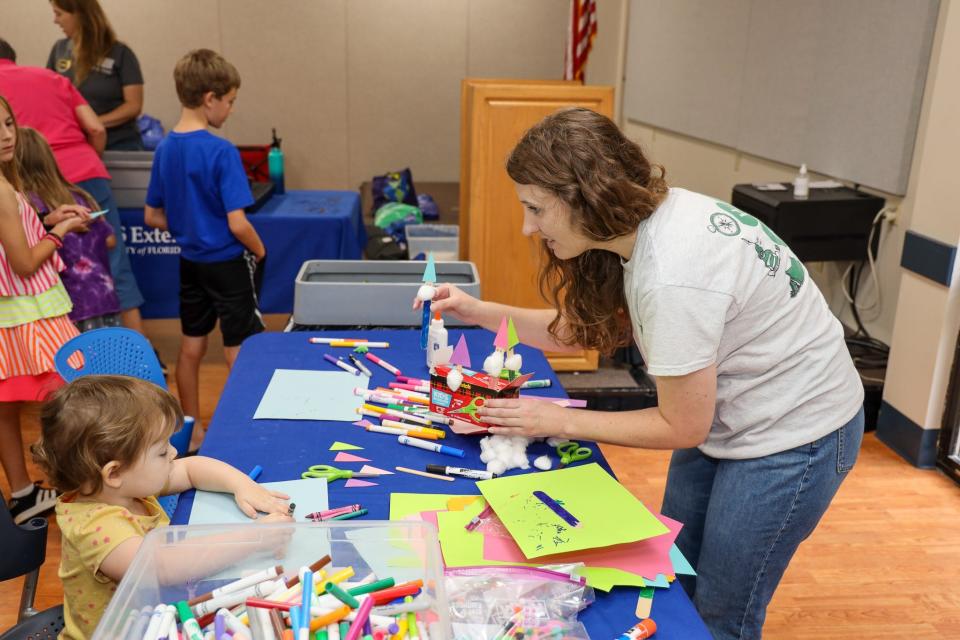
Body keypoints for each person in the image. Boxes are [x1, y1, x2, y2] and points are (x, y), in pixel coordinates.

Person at [416, 107, 865, 639]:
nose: (527, 227)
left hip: (794, 436)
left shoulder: (674, 274)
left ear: (586, 198)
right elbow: (580, 329)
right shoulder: (644, 224)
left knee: (722, 614)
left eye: (536, 208)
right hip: (728, 412)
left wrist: (554, 418)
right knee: (674, 581)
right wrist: (478, 310)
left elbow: (682, 427)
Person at [31, 375, 292, 640]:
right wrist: (256, 537)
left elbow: (191, 468)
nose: (174, 453)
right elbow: (164, 567)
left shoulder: (123, 486)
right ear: (114, 472)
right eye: (161, 451)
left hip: (155, 617)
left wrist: (242, 485)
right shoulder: (95, 527)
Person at [144, 49, 265, 451]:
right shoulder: (221, 151)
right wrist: (260, 250)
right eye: (229, 101)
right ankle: (240, 432)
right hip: (227, 264)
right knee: (239, 351)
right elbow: (238, 223)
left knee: (192, 347)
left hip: (190, 263)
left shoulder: (164, 148)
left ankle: (192, 431)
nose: (230, 110)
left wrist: (188, 227)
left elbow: (152, 216)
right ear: (210, 97)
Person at [0, 38, 150, 343]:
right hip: (84, 170)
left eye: (8, 125)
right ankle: (143, 358)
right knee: (117, 267)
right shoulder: (52, 77)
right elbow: (95, 127)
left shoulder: (14, 190)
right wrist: (86, 160)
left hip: (29, 177)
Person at [0, 94, 90, 523]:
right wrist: (63, 232)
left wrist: (48, 220)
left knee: (9, 409)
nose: (5, 136)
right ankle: (74, 485)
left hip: (19, 312)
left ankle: (23, 493)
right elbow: (22, 262)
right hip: (26, 314)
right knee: (68, 396)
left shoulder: (7, 183)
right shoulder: (1, 188)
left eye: (8, 123)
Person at [18, 127, 121, 332]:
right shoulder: (77, 195)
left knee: (76, 363)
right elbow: (110, 240)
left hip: (69, 303)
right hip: (104, 295)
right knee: (107, 361)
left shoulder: (27, 204)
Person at [47, 0, 145, 151]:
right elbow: (50, 98)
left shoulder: (121, 53)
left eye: (59, 13)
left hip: (118, 144)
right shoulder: (59, 49)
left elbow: (133, 105)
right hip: (74, 143)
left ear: (80, 15)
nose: (55, 20)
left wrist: (94, 123)